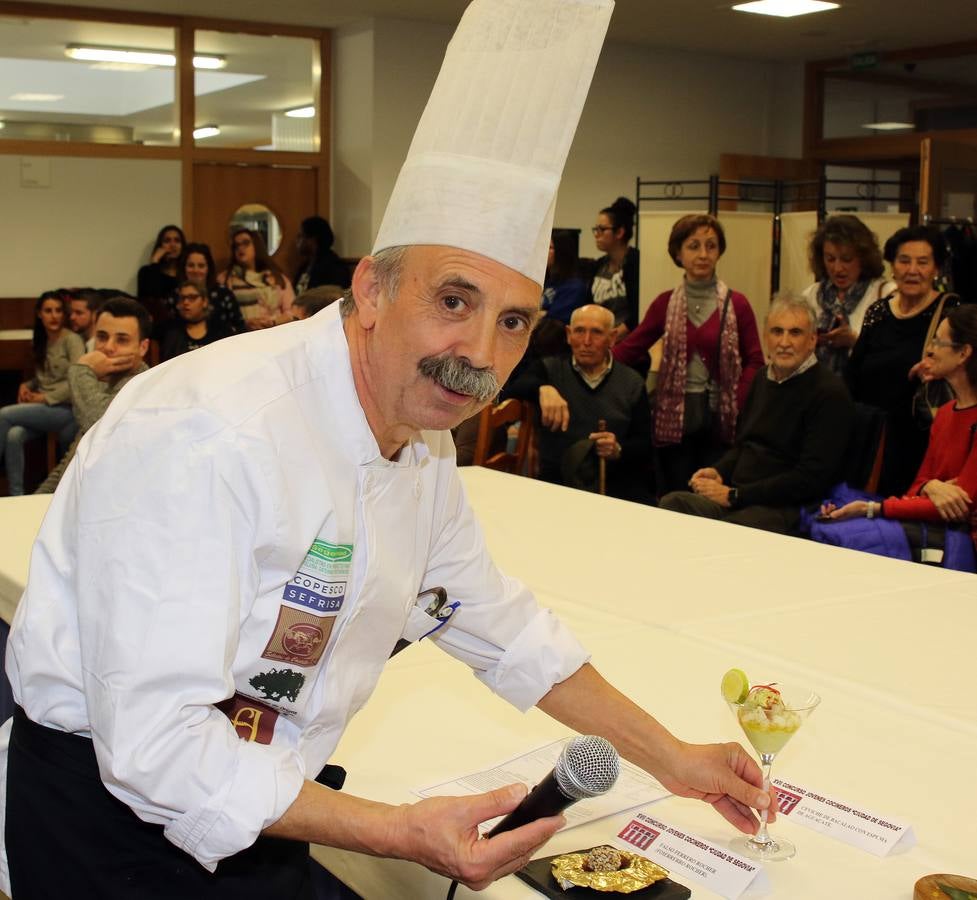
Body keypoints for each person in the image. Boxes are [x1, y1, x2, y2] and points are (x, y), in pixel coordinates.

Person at [3, 4, 772, 897]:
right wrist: (399, 832)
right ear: (371, 287)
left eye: (514, 321)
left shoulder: (419, 433)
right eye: (453, 299)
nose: (480, 353)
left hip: (269, 794)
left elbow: (491, 619)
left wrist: (670, 757)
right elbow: (157, 744)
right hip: (110, 827)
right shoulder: (208, 433)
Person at [660, 295, 853, 534]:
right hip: (741, 498)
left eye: (795, 333)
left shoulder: (829, 392)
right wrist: (719, 471)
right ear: (765, 337)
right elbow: (744, 446)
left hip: (786, 508)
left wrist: (735, 495)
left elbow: (810, 479)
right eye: (776, 331)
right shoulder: (762, 378)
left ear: (812, 340)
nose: (784, 342)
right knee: (672, 505)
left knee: (732, 532)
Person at [614, 214, 764, 495]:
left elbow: (755, 360)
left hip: (722, 422)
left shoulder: (737, 304)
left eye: (711, 246)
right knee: (675, 496)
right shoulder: (665, 303)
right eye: (694, 246)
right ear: (678, 253)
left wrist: (739, 400)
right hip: (675, 421)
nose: (703, 254)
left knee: (711, 499)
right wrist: (590, 363)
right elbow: (629, 349)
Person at [823, 305, 977, 550]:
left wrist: (874, 508)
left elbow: (962, 504)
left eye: (938, 342)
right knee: (838, 529)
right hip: (941, 533)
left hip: (964, 541)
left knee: (859, 537)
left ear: (963, 354)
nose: (929, 349)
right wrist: (932, 486)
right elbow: (916, 487)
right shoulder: (946, 414)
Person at [845, 225, 960, 497]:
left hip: (921, 439)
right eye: (904, 261)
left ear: (936, 269)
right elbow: (854, 374)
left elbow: (967, 370)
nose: (912, 270)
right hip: (873, 438)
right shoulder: (879, 312)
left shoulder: (951, 313)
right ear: (892, 267)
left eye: (923, 262)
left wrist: (938, 368)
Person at [35, 297, 151, 495]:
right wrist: (40, 496)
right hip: (75, 497)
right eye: (102, 336)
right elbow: (73, 457)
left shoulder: (142, 387)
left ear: (142, 347)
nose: (108, 347)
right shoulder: (102, 379)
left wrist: (81, 370)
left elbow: (95, 420)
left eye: (122, 340)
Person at [538, 305, 652, 502]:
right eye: (579, 331)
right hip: (559, 488)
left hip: (615, 489)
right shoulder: (549, 371)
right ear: (568, 334)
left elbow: (644, 444)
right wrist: (542, 389)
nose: (586, 342)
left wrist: (618, 449)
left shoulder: (632, 382)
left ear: (613, 337)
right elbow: (514, 387)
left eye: (597, 333)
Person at [0, 291, 84, 495]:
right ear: (39, 314)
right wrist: (27, 385)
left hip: (64, 409)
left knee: (3, 414)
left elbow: (78, 378)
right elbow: (45, 377)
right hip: (44, 410)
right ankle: (16, 495)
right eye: (48, 311)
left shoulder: (72, 340)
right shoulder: (42, 340)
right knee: (13, 435)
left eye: (58, 311)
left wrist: (44, 397)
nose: (54, 316)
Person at [801, 214, 895, 375]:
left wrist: (853, 342)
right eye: (830, 259)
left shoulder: (886, 295)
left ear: (863, 257)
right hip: (817, 393)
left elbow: (893, 358)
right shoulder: (811, 295)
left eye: (846, 259)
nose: (838, 268)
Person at [219, 228, 295, 329]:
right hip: (241, 335)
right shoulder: (226, 278)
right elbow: (221, 315)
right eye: (236, 245)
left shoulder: (277, 277)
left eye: (245, 243)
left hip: (274, 333)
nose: (240, 248)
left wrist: (272, 322)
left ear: (256, 246)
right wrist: (244, 324)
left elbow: (292, 311)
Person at [590, 196, 639, 335]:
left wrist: (612, 337)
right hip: (599, 338)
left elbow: (639, 312)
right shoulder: (599, 265)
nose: (596, 235)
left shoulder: (636, 263)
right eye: (595, 229)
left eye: (602, 229)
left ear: (619, 232)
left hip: (627, 341)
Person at [173, 242, 247, 336]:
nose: (196, 270)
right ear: (184, 268)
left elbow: (240, 328)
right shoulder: (175, 295)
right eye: (191, 265)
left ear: (208, 268)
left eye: (201, 266)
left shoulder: (224, 294)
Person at [158, 281, 233, 362]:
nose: (185, 302)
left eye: (192, 297)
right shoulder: (168, 331)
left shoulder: (222, 330)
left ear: (205, 302)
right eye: (182, 298)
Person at [541, 230, 589, 325]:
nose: (544, 251)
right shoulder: (548, 280)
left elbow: (553, 320)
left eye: (550, 247)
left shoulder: (574, 287)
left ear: (562, 253)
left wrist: (542, 314)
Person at [294, 215, 351, 294]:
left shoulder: (334, 266)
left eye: (300, 236)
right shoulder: (304, 266)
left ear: (312, 240)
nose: (297, 241)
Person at [137, 224, 186, 316]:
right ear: (160, 246)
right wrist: (155, 262)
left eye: (177, 240)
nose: (172, 245)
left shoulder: (187, 273)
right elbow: (150, 299)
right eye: (167, 241)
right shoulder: (146, 272)